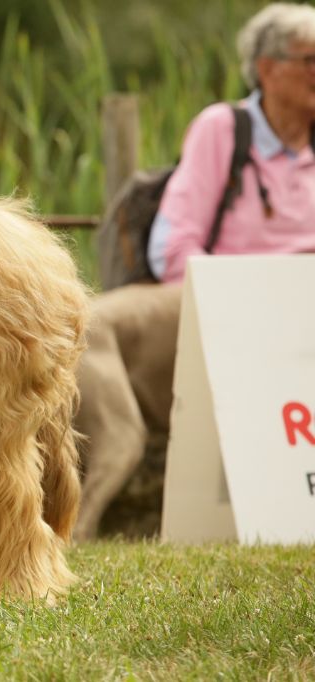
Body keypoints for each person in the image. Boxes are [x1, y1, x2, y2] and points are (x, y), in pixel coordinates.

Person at [75, 2, 315, 540]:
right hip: (231, 307)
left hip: (304, 315)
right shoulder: (223, 130)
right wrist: (244, 300)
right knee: (122, 443)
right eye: (310, 60)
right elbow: (173, 245)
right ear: (268, 68)